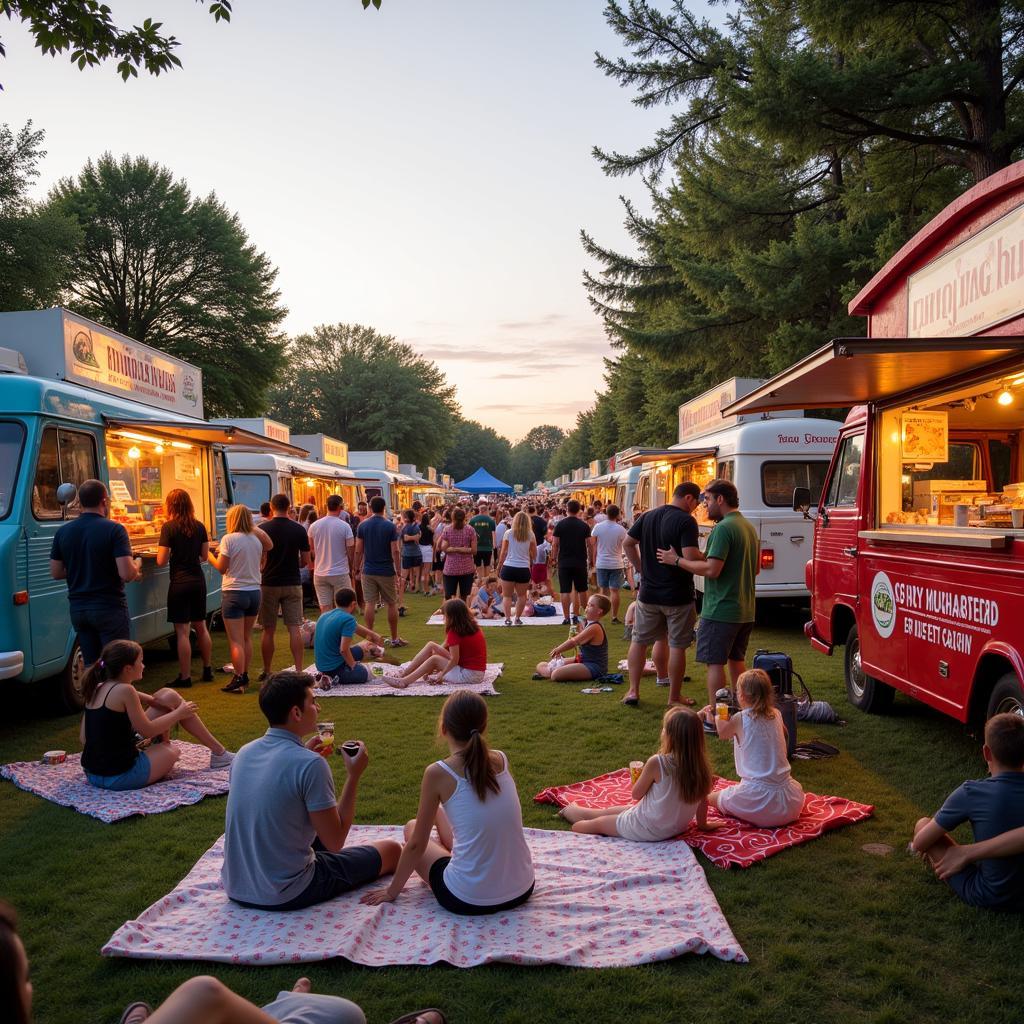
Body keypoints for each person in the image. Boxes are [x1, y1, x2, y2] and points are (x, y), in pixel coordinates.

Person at [0, 896, 443, 1024]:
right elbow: (205, 992)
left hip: (249, 889)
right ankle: (291, 999)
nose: (32, 987)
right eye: (24, 978)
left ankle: (292, 999)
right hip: (289, 889)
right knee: (348, 1016)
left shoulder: (254, 756)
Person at [222, 671, 401, 910]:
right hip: (285, 891)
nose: (319, 707)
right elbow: (335, 841)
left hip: (237, 886)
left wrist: (302, 752)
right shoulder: (310, 764)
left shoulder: (244, 753)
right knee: (392, 851)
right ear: (296, 713)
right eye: (313, 701)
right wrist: (354, 776)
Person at [360, 689, 534, 914]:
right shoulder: (500, 759)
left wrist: (391, 892)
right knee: (441, 814)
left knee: (412, 828)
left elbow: (415, 845)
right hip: (522, 888)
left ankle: (457, 855)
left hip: (468, 898)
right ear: (483, 727)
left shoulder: (438, 773)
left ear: (444, 729)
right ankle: (457, 849)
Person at [660, 479, 759, 713]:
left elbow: (712, 570)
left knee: (715, 663)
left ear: (720, 499)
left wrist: (676, 560)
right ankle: (743, 709)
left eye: (707, 499)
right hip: (745, 610)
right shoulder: (747, 526)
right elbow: (755, 569)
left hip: (720, 610)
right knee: (737, 661)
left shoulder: (723, 528)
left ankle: (717, 713)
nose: (705, 505)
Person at [79, 639, 233, 789]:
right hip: (119, 777)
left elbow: (84, 738)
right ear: (128, 668)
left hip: (92, 773)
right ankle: (218, 754)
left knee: (168, 695)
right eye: (140, 661)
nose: (144, 666)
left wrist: (153, 701)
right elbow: (147, 730)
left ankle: (219, 753)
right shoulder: (126, 691)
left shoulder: (97, 687)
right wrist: (179, 713)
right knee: (172, 751)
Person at [910, 713, 1024, 911]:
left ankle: (943, 865)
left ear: (986, 753)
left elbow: (920, 842)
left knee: (923, 825)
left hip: (989, 895)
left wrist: (961, 853)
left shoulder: (971, 792)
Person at [559, 707, 716, 839]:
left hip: (646, 828)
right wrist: (703, 825)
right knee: (611, 811)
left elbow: (636, 794)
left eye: (664, 728)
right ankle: (577, 811)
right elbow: (703, 801)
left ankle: (569, 813)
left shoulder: (658, 762)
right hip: (673, 827)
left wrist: (642, 777)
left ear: (670, 737)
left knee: (598, 823)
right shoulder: (702, 768)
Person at [621, 483, 702, 709]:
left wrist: (641, 569)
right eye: (697, 502)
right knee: (677, 645)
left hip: (648, 594)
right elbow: (690, 556)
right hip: (678, 594)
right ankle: (674, 696)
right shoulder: (686, 521)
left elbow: (628, 543)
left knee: (639, 641)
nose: (696, 507)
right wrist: (708, 557)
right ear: (688, 498)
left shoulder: (648, 516)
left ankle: (633, 691)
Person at [48, 478, 142, 667]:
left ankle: (94, 697)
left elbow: (56, 572)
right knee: (117, 666)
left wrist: (82, 567)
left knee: (92, 667)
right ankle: (116, 696)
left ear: (80, 502)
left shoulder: (63, 532)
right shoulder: (115, 530)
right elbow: (126, 573)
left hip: (79, 610)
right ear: (104, 501)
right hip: (109, 607)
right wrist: (137, 565)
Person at [703, 669, 804, 827]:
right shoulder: (776, 713)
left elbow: (722, 732)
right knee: (745, 790)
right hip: (790, 800)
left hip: (760, 801)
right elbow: (783, 732)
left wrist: (717, 716)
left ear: (742, 695)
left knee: (711, 799)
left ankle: (702, 798)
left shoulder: (740, 718)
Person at [207, 503, 273, 694]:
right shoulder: (255, 540)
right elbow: (269, 545)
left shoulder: (228, 539)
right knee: (246, 637)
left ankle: (239, 677)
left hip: (234, 591)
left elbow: (221, 568)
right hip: (254, 592)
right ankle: (243, 675)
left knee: (235, 640)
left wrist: (210, 556)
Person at [155, 488, 213, 688]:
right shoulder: (199, 526)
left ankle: (185, 676)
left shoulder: (168, 527)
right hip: (198, 581)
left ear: (171, 506)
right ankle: (207, 670)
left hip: (179, 582)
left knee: (182, 632)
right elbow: (204, 556)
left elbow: (161, 560)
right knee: (201, 626)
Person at [391, 599, 487, 687]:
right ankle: (405, 674)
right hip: (477, 673)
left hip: (469, 676)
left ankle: (404, 681)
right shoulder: (472, 626)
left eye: (445, 615)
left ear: (451, 616)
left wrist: (441, 674)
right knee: (431, 645)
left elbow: (454, 660)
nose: (444, 617)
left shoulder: (455, 631)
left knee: (434, 659)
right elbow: (447, 649)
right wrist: (429, 670)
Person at [354, 496, 407, 647]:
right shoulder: (389, 526)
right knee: (391, 603)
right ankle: (394, 638)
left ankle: (370, 637)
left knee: (370, 603)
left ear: (370, 508)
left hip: (368, 570)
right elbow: (395, 551)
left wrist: (356, 568)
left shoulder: (363, 525)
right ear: (384, 508)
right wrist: (398, 570)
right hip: (386, 570)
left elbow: (359, 550)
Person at [312, 588, 385, 687]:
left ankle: (328, 675)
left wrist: (374, 637)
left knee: (360, 649)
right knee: (370, 672)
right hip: (335, 668)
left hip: (322, 665)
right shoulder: (348, 619)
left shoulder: (324, 615)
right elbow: (343, 650)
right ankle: (333, 676)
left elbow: (360, 630)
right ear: (353, 604)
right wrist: (353, 665)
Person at [534, 594, 610, 681]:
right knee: (542, 665)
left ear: (599, 611)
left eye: (591, 606)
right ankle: (549, 672)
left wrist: (558, 649)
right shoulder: (587, 623)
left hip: (594, 666)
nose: (587, 608)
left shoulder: (595, 627)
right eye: (588, 605)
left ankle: (549, 673)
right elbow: (575, 640)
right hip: (582, 660)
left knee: (556, 674)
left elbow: (574, 642)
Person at [307, 494, 355, 613]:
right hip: (340, 571)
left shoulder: (314, 526)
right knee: (344, 607)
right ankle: (342, 630)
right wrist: (352, 566)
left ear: (326, 506)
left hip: (320, 572)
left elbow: (311, 549)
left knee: (325, 608)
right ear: (340, 507)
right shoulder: (345, 526)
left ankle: (327, 630)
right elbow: (350, 550)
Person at [551, 499, 593, 625]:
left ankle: (566, 617)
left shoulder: (560, 525)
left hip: (564, 561)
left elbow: (555, 544)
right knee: (582, 589)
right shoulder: (584, 526)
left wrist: (553, 559)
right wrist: (591, 559)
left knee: (565, 590)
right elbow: (590, 545)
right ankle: (585, 615)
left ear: (567, 509)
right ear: (579, 510)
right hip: (580, 561)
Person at [496, 511, 536, 626]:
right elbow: (534, 554)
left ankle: (508, 619)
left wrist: (499, 566)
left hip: (509, 566)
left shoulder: (508, 533)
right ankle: (517, 618)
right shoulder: (530, 535)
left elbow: (503, 552)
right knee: (522, 595)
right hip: (523, 568)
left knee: (507, 595)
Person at [591, 503, 628, 624]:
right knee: (615, 591)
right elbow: (625, 545)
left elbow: (593, 544)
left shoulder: (598, 527)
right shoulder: (621, 529)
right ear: (617, 514)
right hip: (616, 562)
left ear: (606, 513)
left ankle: (600, 616)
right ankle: (614, 616)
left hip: (602, 562)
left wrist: (593, 559)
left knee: (603, 591)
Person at [438, 506, 477, 600]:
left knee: (448, 596)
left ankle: (448, 614)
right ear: (464, 517)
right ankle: (462, 614)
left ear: (452, 517)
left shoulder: (448, 529)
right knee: (465, 596)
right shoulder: (470, 530)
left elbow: (444, 547)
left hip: (451, 567)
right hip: (466, 567)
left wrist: (454, 549)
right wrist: (464, 549)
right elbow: (474, 550)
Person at [469, 502, 497, 582]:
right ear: (486, 511)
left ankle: (480, 580)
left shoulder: (473, 520)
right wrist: (494, 546)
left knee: (478, 565)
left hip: (476, 547)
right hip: (487, 547)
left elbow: (469, 533)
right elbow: (493, 534)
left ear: (479, 510)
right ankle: (486, 581)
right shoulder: (491, 521)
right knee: (487, 564)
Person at [398, 508, 423, 598]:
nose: (403, 518)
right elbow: (407, 538)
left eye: (404, 516)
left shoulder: (406, 527)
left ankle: (406, 587)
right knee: (415, 572)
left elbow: (405, 538)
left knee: (406, 573)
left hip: (408, 552)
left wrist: (410, 537)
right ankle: (413, 586)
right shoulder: (414, 526)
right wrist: (414, 537)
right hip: (413, 552)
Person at [418, 510, 436, 595]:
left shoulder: (419, 527)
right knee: (427, 571)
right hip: (428, 549)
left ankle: (423, 589)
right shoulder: (430, 528)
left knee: (421, 570)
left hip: (420, 548)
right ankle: (427, 590)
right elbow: (433, 537)